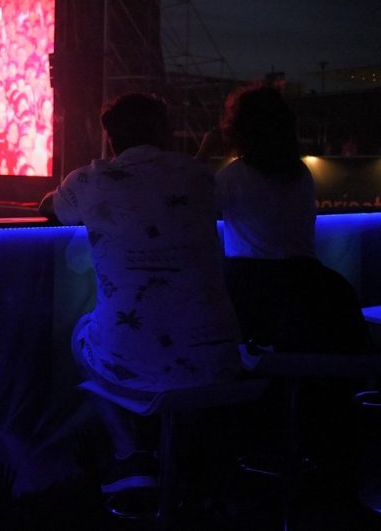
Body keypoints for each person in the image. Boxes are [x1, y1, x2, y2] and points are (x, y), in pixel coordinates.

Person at [40, 92, 241, 494]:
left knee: (81, 334)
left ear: (111, 138)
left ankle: (130, 453)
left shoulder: (88, 180)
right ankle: (186, 459)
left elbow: (49, 207)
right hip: (222, 362)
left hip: (132, 364)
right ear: (164, 131)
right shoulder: (201, 177)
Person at [206, 82, 370, 353]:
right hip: (308, 283)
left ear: (239, 129)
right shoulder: (301, 173)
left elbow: (186, 205)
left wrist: (202, 155)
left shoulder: (231, 177)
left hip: (250, 288)